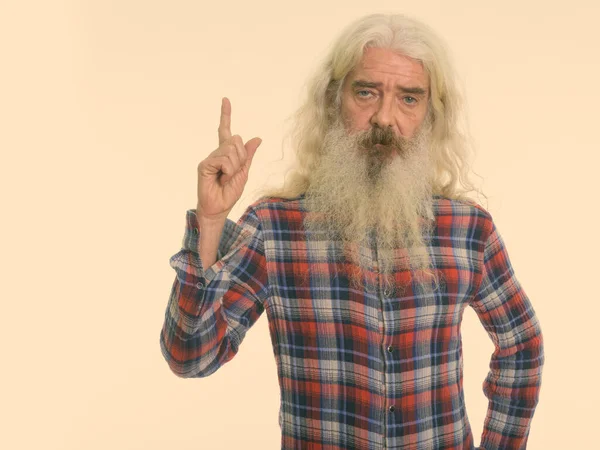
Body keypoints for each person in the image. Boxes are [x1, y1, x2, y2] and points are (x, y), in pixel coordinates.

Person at [159, 13, 544, 450]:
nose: (384, 118)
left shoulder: (467, 229)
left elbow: (522, 345)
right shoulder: (274, 229)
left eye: (409, 99)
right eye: (366, 93)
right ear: (333, 100)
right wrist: (210, 224)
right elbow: (189, 358)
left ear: (430, 115)